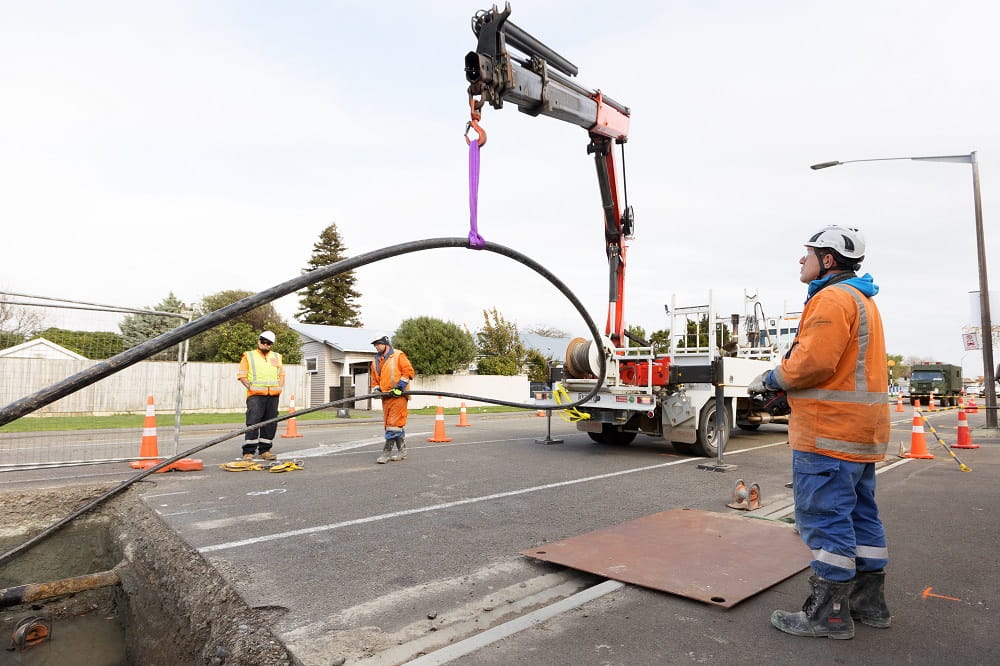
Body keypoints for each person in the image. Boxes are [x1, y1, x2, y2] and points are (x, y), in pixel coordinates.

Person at [748, 226, 890, 639]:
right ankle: (869, 604)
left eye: (807, 254)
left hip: (828, 434)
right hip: (859, 432)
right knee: (861, 518)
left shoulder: (831, 298)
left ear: (827, 260)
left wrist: (772, 379)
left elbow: (813, 363)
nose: (801, 260)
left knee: (825, 520)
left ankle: (827, 615)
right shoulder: (862, 299)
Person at [237, 330, 285, 461]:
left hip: (273, 395)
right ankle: (249, 452)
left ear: (272, 344)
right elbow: (242, 375)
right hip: (255, 396)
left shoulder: (277, 356)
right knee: (253, 422)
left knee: (270, 423)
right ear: (259, 341)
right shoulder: (249, 356)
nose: (265, 344)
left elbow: (281, 374)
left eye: (268, 343)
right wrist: (250, 387)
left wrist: (280, 388)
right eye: (263, 342)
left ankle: (265, 450)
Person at [370, 335, 415, 464]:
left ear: (385, 343)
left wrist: (400, 387)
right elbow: (375, 380)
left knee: (393, 424)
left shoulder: (398, 355)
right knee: (392, 425)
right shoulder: (375, 361)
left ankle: (386, 453)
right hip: (386, 397)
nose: (376, 346)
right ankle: (402, 451)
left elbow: (408, 372)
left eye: (378, 343)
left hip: (399, 396)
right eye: (374, 344)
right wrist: (376, 389)